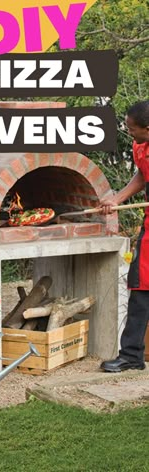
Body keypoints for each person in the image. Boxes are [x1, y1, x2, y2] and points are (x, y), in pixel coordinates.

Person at [100, 100, 149, 372]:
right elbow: (143, 176)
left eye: (132, 129)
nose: (128, 132)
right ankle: (131, 354)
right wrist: (117, 198)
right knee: (141, 287)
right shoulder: (140, 146)